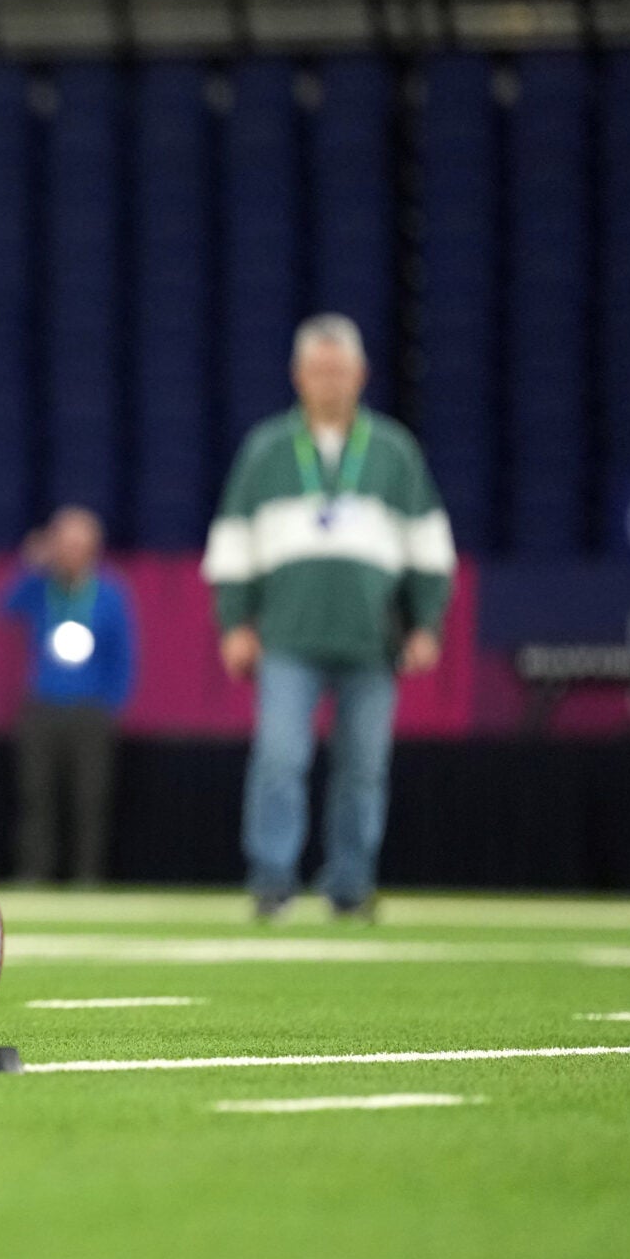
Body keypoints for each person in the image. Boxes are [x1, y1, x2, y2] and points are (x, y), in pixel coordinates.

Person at [207, 314, 454, 922]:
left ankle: (350, 886)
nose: (329, 382)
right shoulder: (266, 449)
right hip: (288, 640)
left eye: (339, 370)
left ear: (361, 375)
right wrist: (235, 623)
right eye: (318, 371)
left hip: (372, 642)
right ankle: (272, 882)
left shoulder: (394, 450)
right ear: (297, 376)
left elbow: (429, 548)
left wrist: (427, 625)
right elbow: (233, 544)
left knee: (364, 769)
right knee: (280, 759)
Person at [0, 507, 136, 884]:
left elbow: (123, 654)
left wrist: (113, 706)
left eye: (79, 545)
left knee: (90, 798)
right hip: (42, 706)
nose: (71, 552)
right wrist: (30, 565)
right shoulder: (41, 586)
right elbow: (4, 607)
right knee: (35, 794)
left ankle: (87, 875)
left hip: (91, 710)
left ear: (93, 549)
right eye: (64, 544)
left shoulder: (110, 591)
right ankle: (34, 872)